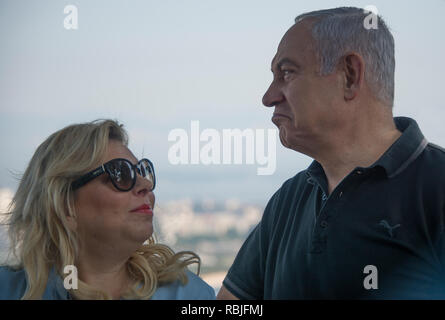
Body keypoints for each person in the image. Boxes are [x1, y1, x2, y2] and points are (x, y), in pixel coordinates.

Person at [217, 7, 445, 299]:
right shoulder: (289, 199)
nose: (268, 97)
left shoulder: (436, 192)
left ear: (349, 75)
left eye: (286, 73)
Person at [0, 119, 215, 300]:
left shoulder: (188, 295)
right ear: (65, 205)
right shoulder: (8, 289)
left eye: (142, 171)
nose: (146, 186)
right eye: (121, 173)